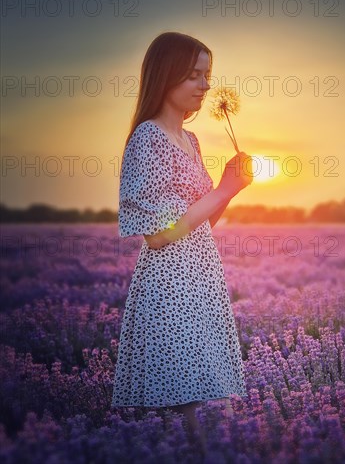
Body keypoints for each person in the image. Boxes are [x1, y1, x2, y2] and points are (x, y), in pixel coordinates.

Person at [111, 31, 253, 456]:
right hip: (170, 281)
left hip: (201, 275)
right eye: (194, 76)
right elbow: (159, 235)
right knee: (186, 394)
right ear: (165, 76)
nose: (205, 87)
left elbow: (203, 221)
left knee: (206, 391)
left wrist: (231, 189)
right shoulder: (148, 138)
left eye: (208, 76)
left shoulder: (189, 141)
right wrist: (222, 188)